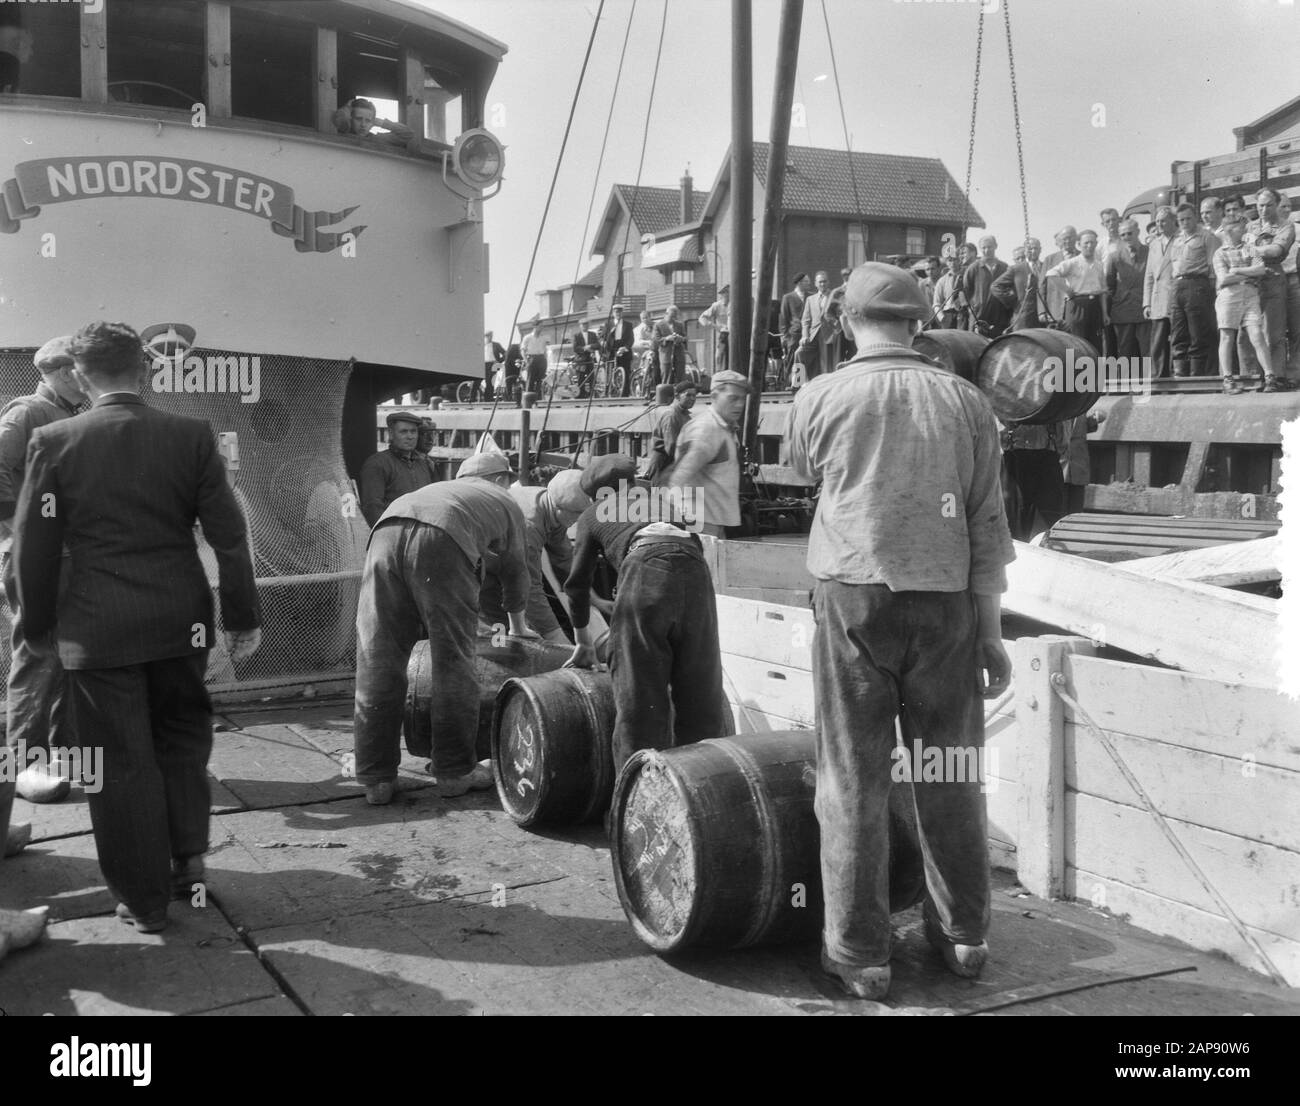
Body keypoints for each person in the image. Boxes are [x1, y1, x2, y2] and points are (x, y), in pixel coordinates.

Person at [783, 263, 1014, 1001]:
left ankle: (861, 955)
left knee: (853, 777)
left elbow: (803, 472)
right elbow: (987, 521)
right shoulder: (967, 401)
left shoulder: (819, 396)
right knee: (950, 774)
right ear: (920, 323)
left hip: (853, 597)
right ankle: (965, 937)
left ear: (846, 320)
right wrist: (990, 629)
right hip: (947, 604)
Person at [13, 321, 261, 933]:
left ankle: (144, 901)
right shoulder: (190, 435)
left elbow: (33, 547)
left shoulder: (54, 440)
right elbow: (229, 533)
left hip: (97, 631)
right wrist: (243, 615)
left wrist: (37, 623)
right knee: (181, 739)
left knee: (117, 760)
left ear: (80, 374)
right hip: (182, 621)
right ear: (142, 368)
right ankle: (188, 864)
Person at [352, 451, 536, 807]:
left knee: (378, 658)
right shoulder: (503, 500)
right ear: (500, 479)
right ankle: (454, 771)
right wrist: (517, 626)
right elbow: (516, 568)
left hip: (385, 533)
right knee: (453, 660)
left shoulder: (442, 489)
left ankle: (375, 778)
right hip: (442, 539)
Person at [562, 462, 726, 774]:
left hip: (644, 566)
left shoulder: (593, 514)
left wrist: (583, 641)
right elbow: (693, 544)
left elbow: (577, 584)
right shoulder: (663, 501)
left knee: (638, 697)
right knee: (701, 694)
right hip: (695, 571)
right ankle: (705, 790)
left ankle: (635, 800)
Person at [0, 336, 86, 806]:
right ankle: (22, 763)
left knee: (72, 656)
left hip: (78, 559)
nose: (84, 376)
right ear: (60, 372)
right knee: (37, 655)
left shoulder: (79, 414)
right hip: (40, 560)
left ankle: (66, 756)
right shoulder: (27, 412)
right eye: (76, 369)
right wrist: (26, 531)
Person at [479, 468, 599, 644]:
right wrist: (560, 642)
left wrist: (593, 598)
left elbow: (564, 559)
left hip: (502, 559)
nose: (580, 520)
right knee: (500, 634)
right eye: (577, 514)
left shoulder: (551, 504)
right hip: (480, 564)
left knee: (522, 626)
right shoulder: (529, 525)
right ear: (559, 507)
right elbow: (529, 588)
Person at [665, 370, 749, 537]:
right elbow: (680, 476)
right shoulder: (707, 430)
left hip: (712, 519)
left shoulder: (723, 427)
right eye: (733, 398)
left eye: (742, 399)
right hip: (701, 522)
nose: (739, 405)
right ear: (715, 397)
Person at [1213, 213, 1274, 395]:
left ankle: (1270, 377)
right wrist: (1250, 273)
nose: (1244, 229)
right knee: (1227, 336)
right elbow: (1223, 278)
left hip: (1250, 295)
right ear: (1230, 229)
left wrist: (1238, 270)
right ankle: (1228, 380)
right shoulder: (1219, 253)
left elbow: (1261, 269)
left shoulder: (1249, 248)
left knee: (1257, 334)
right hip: (1229, 296)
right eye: (1240, 226)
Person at [1244, 188, 1297, 389]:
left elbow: (1277, 250)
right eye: (1260, 205)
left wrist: (1252, 249)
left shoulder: (1286, 226)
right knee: (1251, 331)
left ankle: (1277, 377)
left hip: (1273, 278)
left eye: (1268, 205)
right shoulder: (1249, 226)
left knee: (1274, 332)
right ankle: (1254, 377)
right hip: (1251, 282)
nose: (1264, 209)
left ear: (1276, 205)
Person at [358, 411, 438, 527]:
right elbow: (372, 508)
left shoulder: (423, 464)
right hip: (393, 533)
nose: (410, 437)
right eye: (403, 432)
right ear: (391, 434)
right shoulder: (377, 464)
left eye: (413, 431)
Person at [1168, 203, 1221, 377]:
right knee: (1178, 332)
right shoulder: (1177, 240)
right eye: (1181, 219)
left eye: (1188, 218)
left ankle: (1197, 375)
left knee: (1198, 333)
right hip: (1178, 287)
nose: (1185, 222)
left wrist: (1212, 292)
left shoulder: (1207, 237)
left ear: (1195, 217)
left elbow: (1213, 267)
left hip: (1197, 285)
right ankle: (1180, 375)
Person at [1046, 229, 1107, 353]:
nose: (1090, 246)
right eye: (1086, 243)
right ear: (1079, 244)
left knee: (1096, 343)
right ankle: (1076, 372)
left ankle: (1095, 371)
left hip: (1094, 306)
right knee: (1076, 343)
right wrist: (1067, 290)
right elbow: (1051, 274)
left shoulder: (1099, 265)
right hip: (1077, 306)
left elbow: (1103, 292)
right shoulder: (1072, 263)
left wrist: (1105, 314)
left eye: (1092, 243)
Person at [1106, 219, 1150, 362]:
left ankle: (1150, 382)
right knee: (1125, 352)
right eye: (1123, 235)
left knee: (1147, 351)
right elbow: (1110, 285)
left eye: (1129, 233)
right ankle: (1126, 383)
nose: (1126, 237)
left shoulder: (1150, 252)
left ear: (1137, 232)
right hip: (1123, 310)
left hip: (1145, 308)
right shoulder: (1114, 257)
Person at [1143, 206, 1178, 379]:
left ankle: (1177, 376)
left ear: (1173, 221)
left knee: (1177, 339)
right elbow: (1149, 275)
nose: (1160, 224)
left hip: (1175, 296)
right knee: (1158, 341)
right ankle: (1158, 378)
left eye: (1163, 220)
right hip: (1157, 299)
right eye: (1157, 221)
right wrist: (1147, 303)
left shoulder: (1180, 239)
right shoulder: (1154, 244)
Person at [644, 380, 697, 485]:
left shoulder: (686, 416)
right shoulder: (671, 415)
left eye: (694, 396)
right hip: (664, 465)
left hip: (674, 464)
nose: (693, 399)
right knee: (661, 499)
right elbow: (671, 447)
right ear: (677, 396)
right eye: (688, 395)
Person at [990, 237, 1045, 330]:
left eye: (1036, 248)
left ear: (1040, 250)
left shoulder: (1045, 267)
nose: (1033, 251)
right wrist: (1014, 301)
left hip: (1043, 318)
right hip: (1023, 318)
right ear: (1025, 251)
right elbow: (995, 286)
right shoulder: (1017, 269)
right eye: (1030, 249)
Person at [962, 236, 1010, 336]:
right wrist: (970, 309)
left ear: (996, 246)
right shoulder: (973, 268)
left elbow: (1009, 289)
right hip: (979, 315)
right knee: (976, 346)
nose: (986, 250)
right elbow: (964, 291)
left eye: (989, 247)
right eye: (983, 248)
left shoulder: (1004, 267)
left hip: (999, 316)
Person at [801, 271, 839, 378]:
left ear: (828, 283)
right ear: (815, 283)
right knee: (800, 354)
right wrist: (805, 336)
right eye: (820, 282)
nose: (822, 284)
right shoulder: (810, 299)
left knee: (826, 363)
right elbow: (805, 320)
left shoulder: (834, 296)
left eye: (825, 282)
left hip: (829, 334)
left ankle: (827, 382)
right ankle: (799, 383)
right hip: (813, 335)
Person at [334, 97, 414, 147]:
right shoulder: (343, 135)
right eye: (358, 119)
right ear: (350, 119)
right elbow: (338, 121)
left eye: (367, 121)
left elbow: (407, 134)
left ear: (373, 122)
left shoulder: (376, 140)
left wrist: (380, 122)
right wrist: (347, 107)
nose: (363, 124)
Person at [1041, 225, 1079, 324]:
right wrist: (1042, 311)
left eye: (1070, 237)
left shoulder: (1083, 257)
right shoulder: (1050, 260)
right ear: (1060, 241)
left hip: (1078, 309)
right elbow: (1041, 287)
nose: (1067, 241)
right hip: (1054, 311)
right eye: (1064, 238)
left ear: (1076, 238)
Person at [602, 304, 637, 397]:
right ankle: (609, 394)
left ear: (622, 313)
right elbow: (604, 338)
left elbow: (631, 339)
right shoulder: (608, 324)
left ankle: (624, 395)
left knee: (625, 372)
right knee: (610, 373)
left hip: (624, 350)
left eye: (620, 312)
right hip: (612, 351)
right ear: (613, 313)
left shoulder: (628, 325)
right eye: (616, 312)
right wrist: (610, 333)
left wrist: (625, 348)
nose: (618, 313)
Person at [780, 272, 811, 377]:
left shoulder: (811, 296)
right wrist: (786, 337)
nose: (808, 283)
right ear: (799, 283)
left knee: (806, 359)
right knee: (793, 360)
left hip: (809, 333)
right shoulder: (788, 297)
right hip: (794, 335)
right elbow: (784, 318)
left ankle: (806, 382)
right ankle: (794, 384)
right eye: (806, 281)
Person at [652, 305, 687, 389]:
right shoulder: (658, 325)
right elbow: (656, 340)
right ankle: (665, 396)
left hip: (678, 353)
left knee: (680, 375)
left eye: (674, 316)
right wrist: (667, 338)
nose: (673, 318)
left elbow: (685, 338)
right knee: (666, 375)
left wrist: (680, 338)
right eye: (671, 316)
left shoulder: (679, 325)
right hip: (665, 353)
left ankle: (680, 395)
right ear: (666, 314)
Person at [699, 285, 731, 373]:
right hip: (724, 335)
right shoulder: (717, 305)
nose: (725, 296)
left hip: (736, 335)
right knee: (719, 357)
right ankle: (719, 375)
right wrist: (714, 326)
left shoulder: (737, 304)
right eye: (724, 294)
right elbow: (702, 318)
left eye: (727, 294)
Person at [521, 321, 549, 395]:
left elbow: (545, 351)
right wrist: (527, 361)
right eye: (540, 326)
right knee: (530, 379)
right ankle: (529, 400)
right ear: (535, 327)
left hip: (541, 359)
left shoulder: (543, 338)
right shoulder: (527, 337)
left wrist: (545, 360)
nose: (542, 328)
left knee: (540, 380)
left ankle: (539, 399)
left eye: (542, 326)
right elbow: (523, 351)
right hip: (531, 358)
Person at [483, 331, 505, 396]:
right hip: (484, 364)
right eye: (488, 336)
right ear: (485, 337)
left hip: (493, 364)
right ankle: (486, 397)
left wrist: (499, 361)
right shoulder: (482, 345)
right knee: (486, 381)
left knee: (491, 381)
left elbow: (505, 353)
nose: (490, 337)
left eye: (491, 336)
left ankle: (488, 397)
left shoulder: (496, 345)